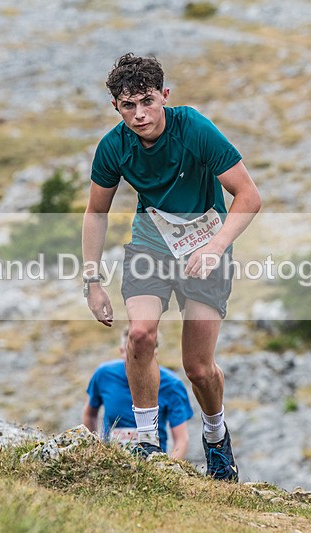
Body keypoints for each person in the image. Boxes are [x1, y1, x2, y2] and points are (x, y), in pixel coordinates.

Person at [82, 53, 261, 481]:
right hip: (152, 243)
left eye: (147, 101)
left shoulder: (194, 129)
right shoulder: (113, 146)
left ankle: (216, 439)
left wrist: (217, 247)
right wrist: (92, 280)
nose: (140, 115)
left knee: (198, 368)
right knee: (140, 335)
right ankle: (147, 444)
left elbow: (249, 196)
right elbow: (95, 212)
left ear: (164, 96)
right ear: (116, 107)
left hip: (206, 245)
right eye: (128, 106)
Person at [82, 327, 193, 459]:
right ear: (122, 351)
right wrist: (94, 450)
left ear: (155, 353)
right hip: (110, 462)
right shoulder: (104, 374)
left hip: (152, 464)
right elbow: (89, 414)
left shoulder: (172, 385)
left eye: (144, 352)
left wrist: (167, 468)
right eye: (132, 353)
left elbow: (181, 440)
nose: (137, 359)